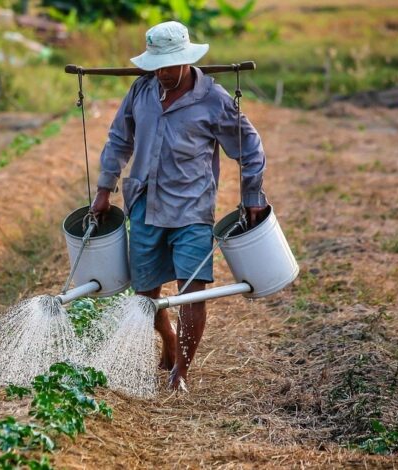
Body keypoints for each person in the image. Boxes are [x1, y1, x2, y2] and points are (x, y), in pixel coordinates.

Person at [90, 21, 269, 392]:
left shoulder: (214, 100)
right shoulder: (141, 91)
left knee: (192, 291)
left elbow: (250, 148)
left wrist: (252, 196)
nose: (164, 73)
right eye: (157, 65)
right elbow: (118, 140)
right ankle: (168, 340)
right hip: (144, 204)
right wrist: (104, 189)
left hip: (192, 209)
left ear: (187, 60)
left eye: (170, 66)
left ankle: (180, 373)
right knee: (146, 295)